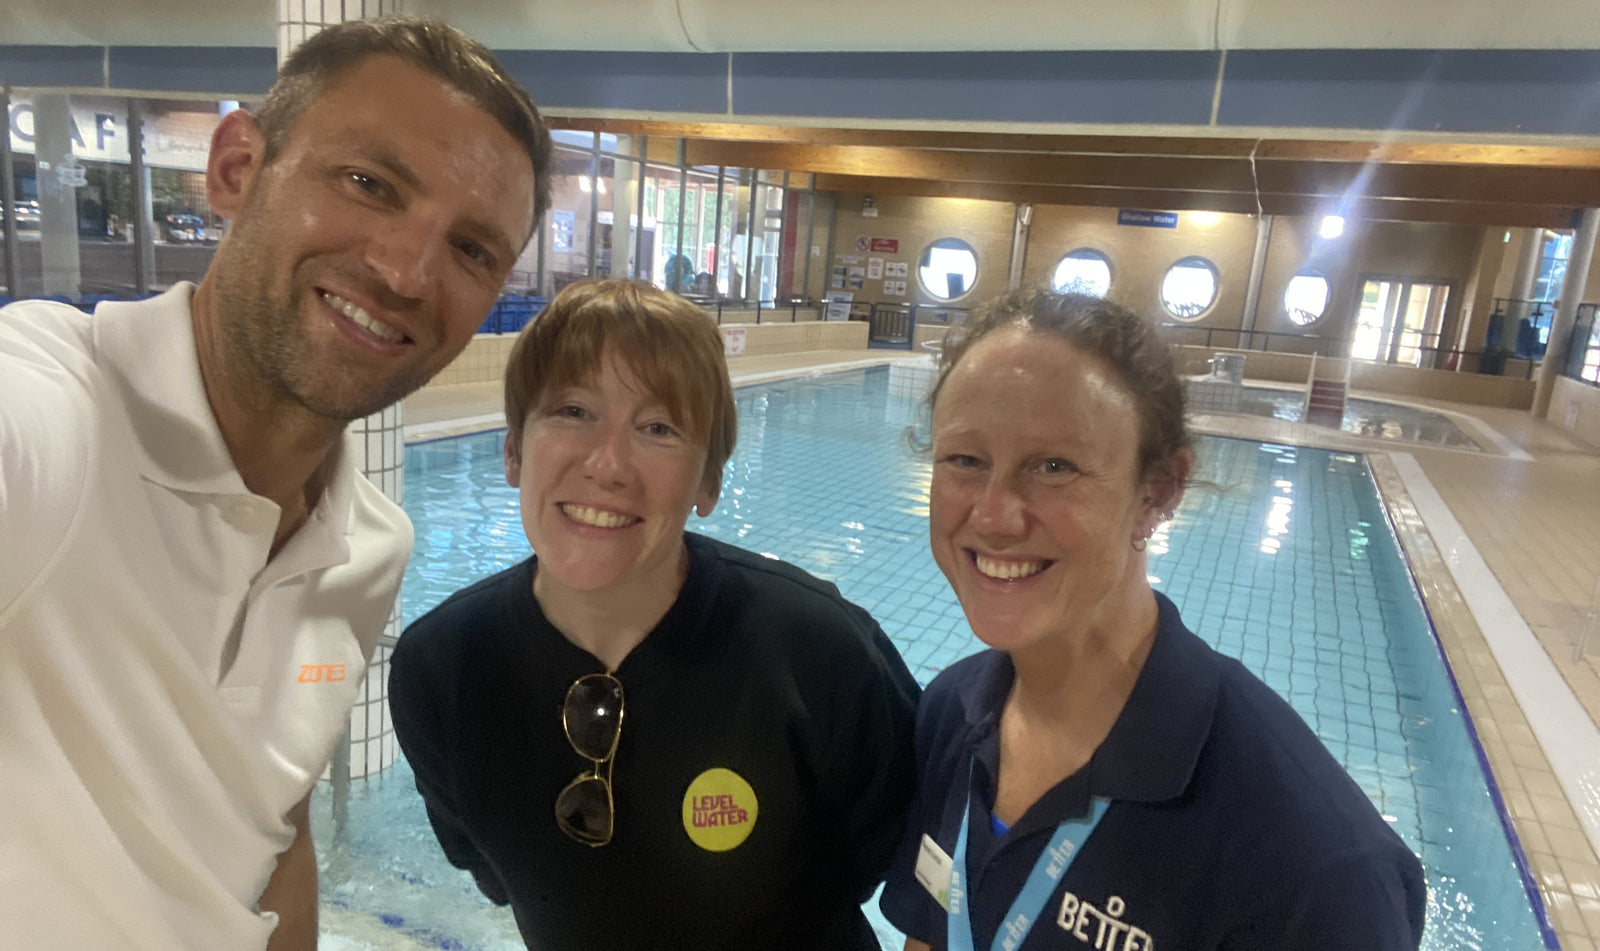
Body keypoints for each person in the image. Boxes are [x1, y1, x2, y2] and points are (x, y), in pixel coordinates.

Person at [0, 16, 552, 951]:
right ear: (236, 167)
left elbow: (274, 827)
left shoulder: (370, 544)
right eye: (370, 184)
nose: (405, 271)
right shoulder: (54, 419)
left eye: (471, 250)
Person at [879, 289, 1426, 950]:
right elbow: (933, 929)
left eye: (1054, 467)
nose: (995, 516)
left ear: (1159, 492)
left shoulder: (1313, 867)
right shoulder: (951, 715)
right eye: (966, 460)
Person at [389, 278, 921, 950]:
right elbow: (496, 873)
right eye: (573, 411)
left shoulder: (819, 649)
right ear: (514, 451)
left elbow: (904, 853)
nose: (607, 464)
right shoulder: (441, 668)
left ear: (708, 481)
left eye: (658, 427)